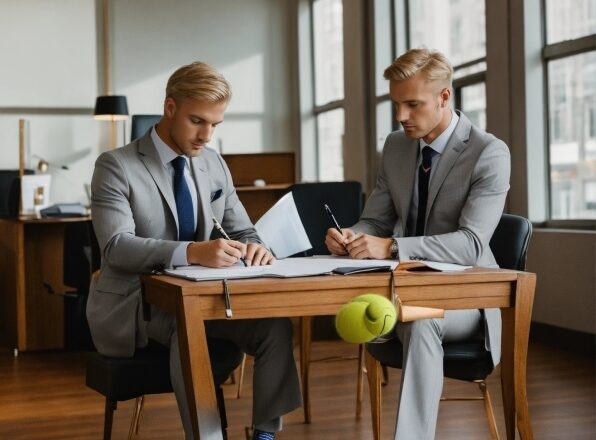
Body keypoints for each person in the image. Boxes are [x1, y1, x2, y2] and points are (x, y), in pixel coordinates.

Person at [87, 61, 301, 440]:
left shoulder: (214, 164)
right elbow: (117, 248)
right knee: (191, 325)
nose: (206, 135)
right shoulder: (115, 166)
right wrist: (193, 252)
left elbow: (244, 229)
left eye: (215, 125)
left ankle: (265, 434)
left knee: (274, 327)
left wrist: (257, 249)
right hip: (139, 303)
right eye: (197, 121)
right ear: (170, 108)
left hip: (205, 296)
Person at [325, 48, 510, 439]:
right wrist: (352, 237)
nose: (400, 116)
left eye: (412, 104)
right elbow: (374, 220)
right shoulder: (395, 146)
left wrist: (391, 248)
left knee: (421, 319)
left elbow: (470, 244)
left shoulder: (488, 153)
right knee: (375, 312)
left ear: (444, 97)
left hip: (466, 298)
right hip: (401, 290)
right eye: (396, 104)